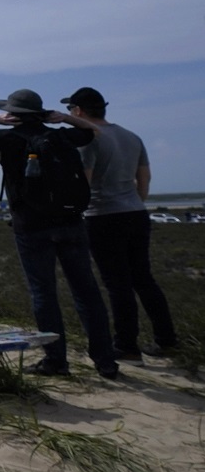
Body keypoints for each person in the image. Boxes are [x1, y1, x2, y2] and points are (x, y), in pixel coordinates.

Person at [0, 89, 118, 378]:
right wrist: (64, 118)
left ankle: (56, 361)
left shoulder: (7, 137)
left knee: (44, 293)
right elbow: (95, 131)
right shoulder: (62, 135)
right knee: (87, 291)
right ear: (41, 113)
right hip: (71, 222)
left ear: (12, 114)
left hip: (30, 226)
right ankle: (105, 361)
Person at [61, 87, 177, 362]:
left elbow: (84, 183)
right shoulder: (131, 136)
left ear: (78, 111)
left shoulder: (89, 140)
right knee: (144, 279)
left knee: (117, 283)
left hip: (103, 215)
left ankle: (126, 345)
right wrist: (134, 203)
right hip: (136, 212)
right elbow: (145, 180)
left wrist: (73, 211)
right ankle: (167, 339)